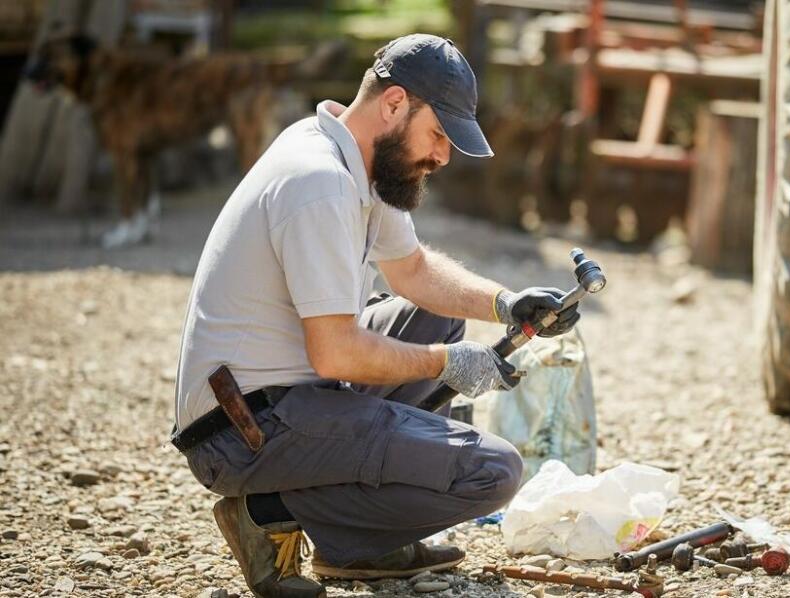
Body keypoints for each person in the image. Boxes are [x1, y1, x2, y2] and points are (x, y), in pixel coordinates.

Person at [170, 34, 580, 598]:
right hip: (241, 431)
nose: (442, 156)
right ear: (393, 104)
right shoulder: (318, 182)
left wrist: (504, 303)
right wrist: (449, 364)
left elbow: (411, 272)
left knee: (434, 318)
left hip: (285, 395)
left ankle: (358, 545)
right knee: (494, 472)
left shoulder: (351, 153)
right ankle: (267, 511)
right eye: (438, 134)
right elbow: (336, 351)